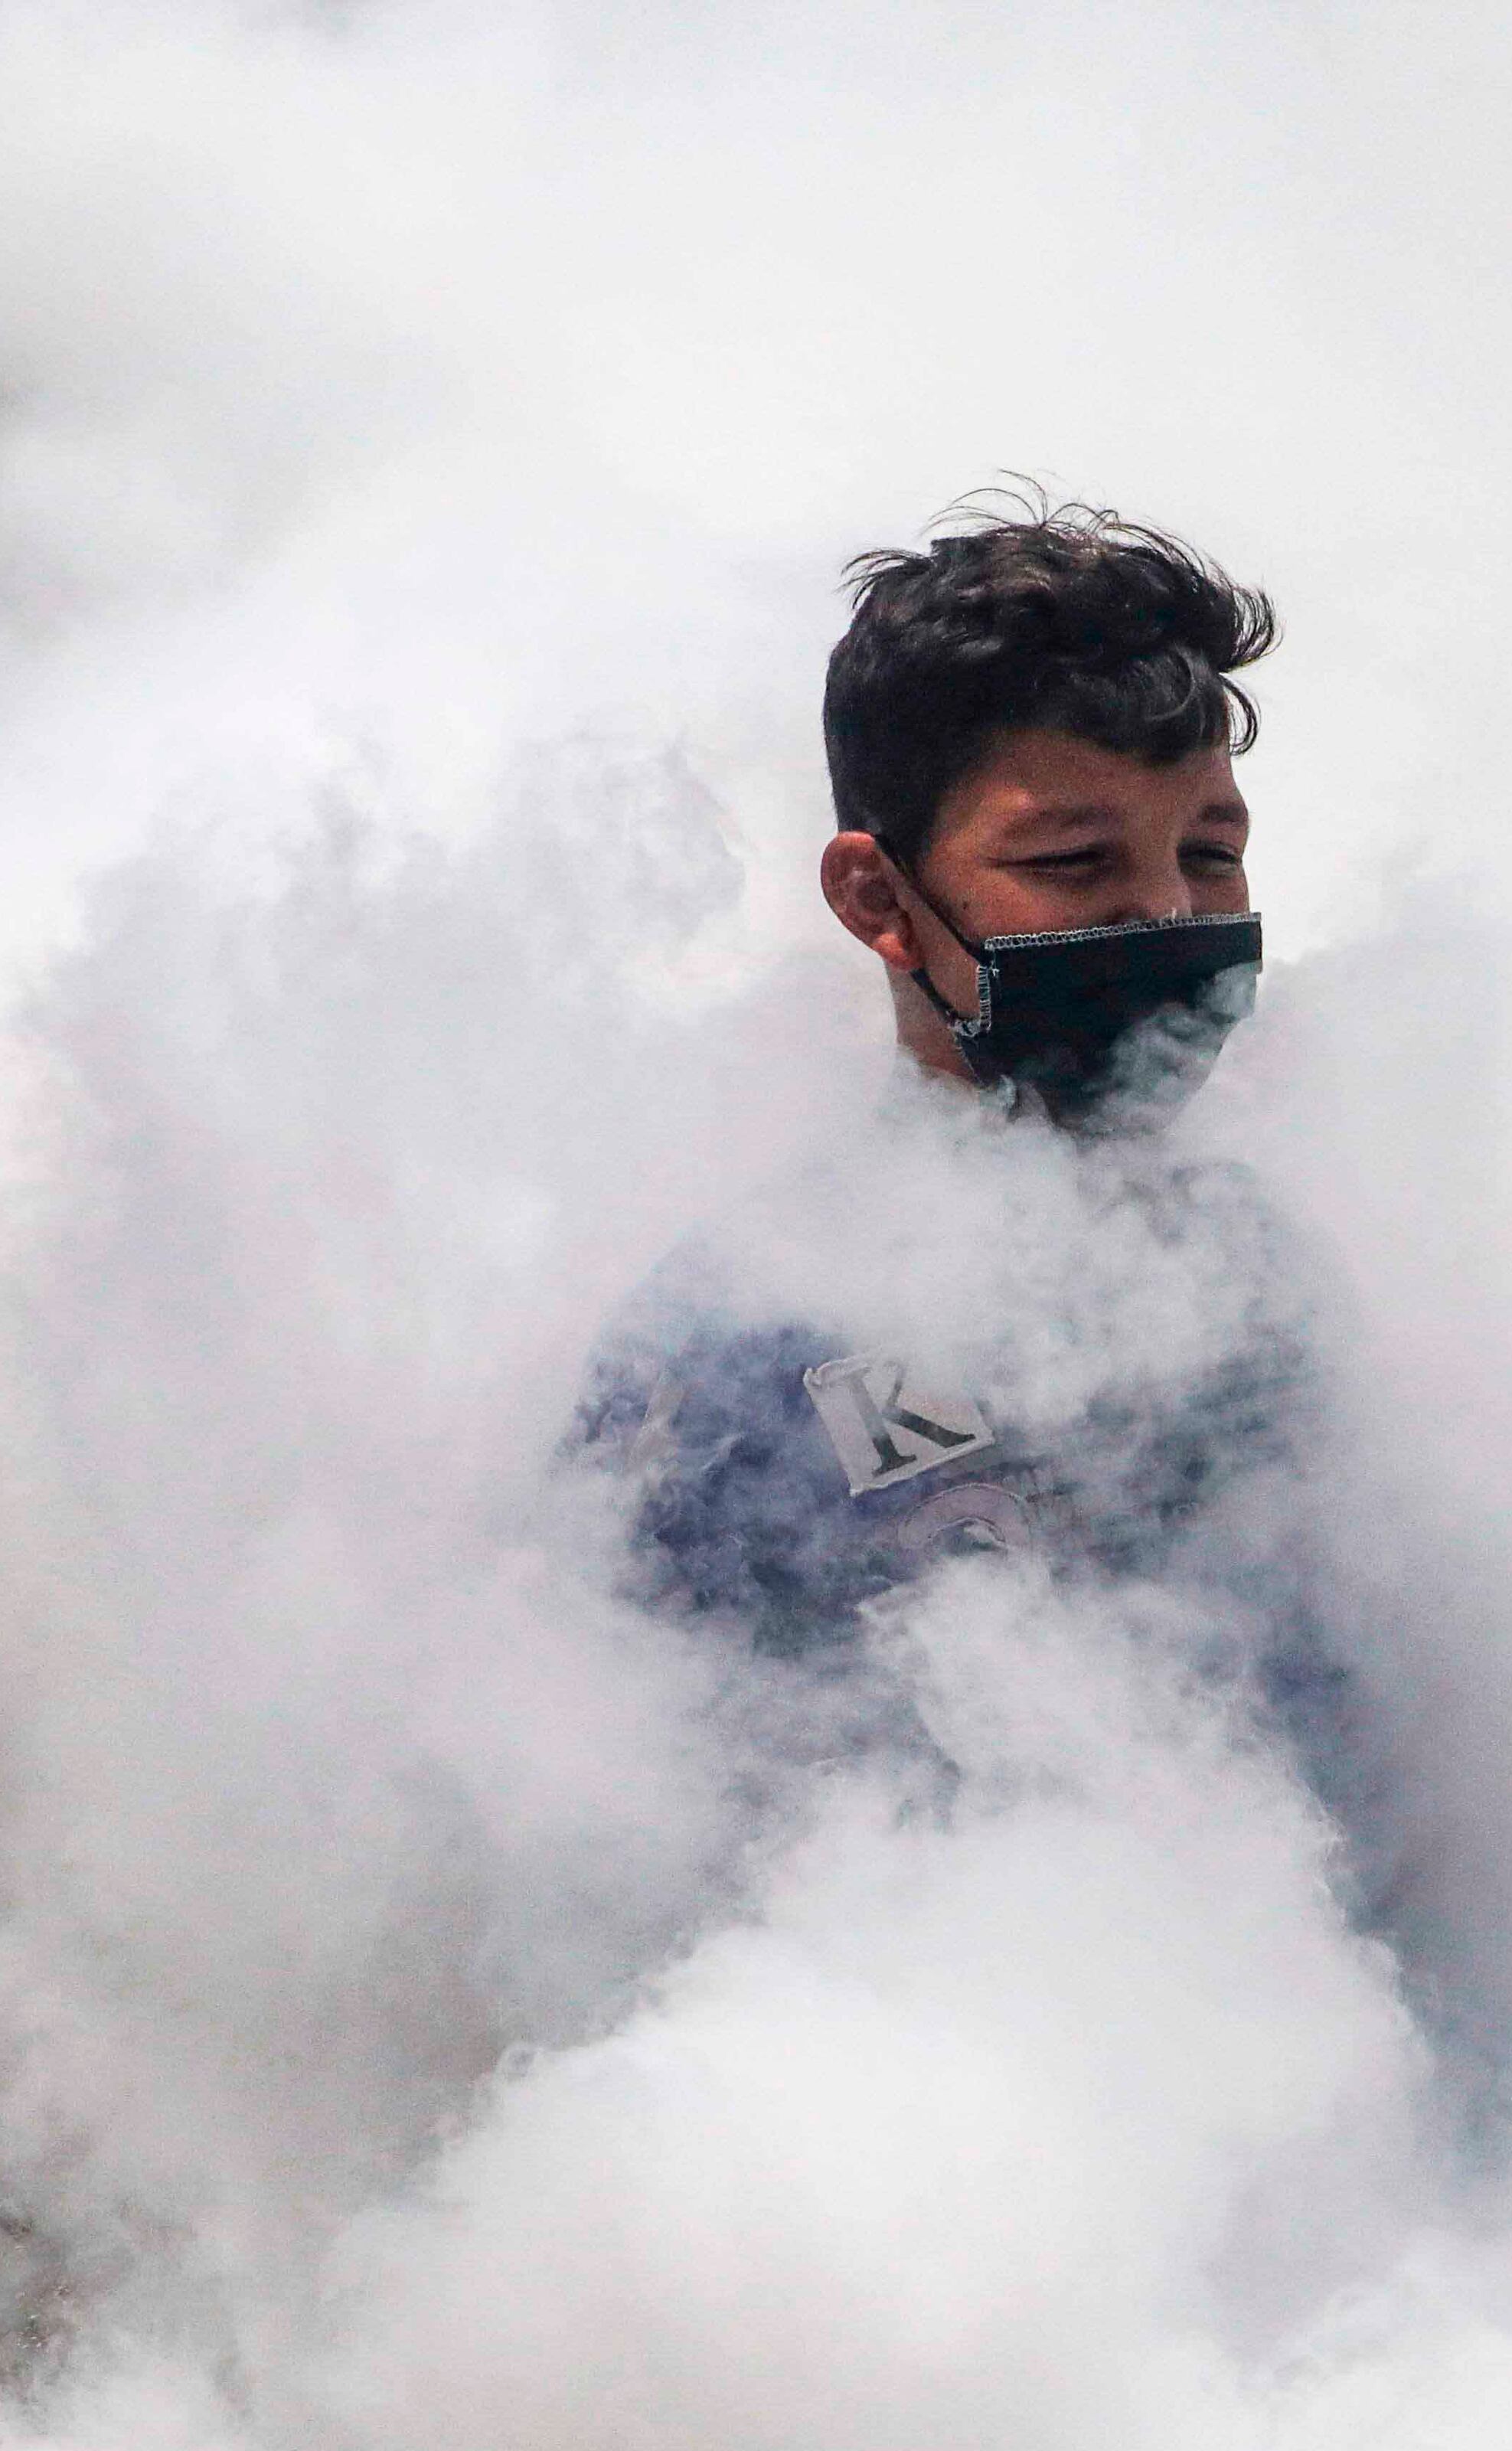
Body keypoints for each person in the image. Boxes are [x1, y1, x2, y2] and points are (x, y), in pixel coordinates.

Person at [573, 502, 1342, 1737]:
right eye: (1076, 864)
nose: (1163, 914)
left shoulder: (1268, 1270)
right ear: (880, 896)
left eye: (1210, 855)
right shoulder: (743, 1353)